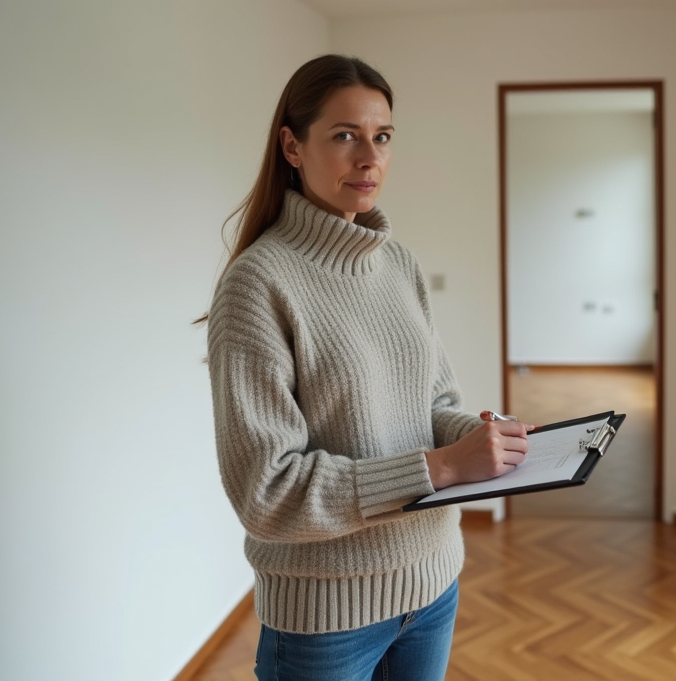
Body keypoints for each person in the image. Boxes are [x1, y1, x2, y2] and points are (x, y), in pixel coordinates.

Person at [202, 54, 532, 681]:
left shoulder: (398, 264)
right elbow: (267, 494)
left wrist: (481, 438)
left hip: (433, 583)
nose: (369, 158)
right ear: (292, 147)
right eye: (345, 135)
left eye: (381, 137)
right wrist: (443, 467)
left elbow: (431, 403)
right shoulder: (259, 285)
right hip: (326, 618)